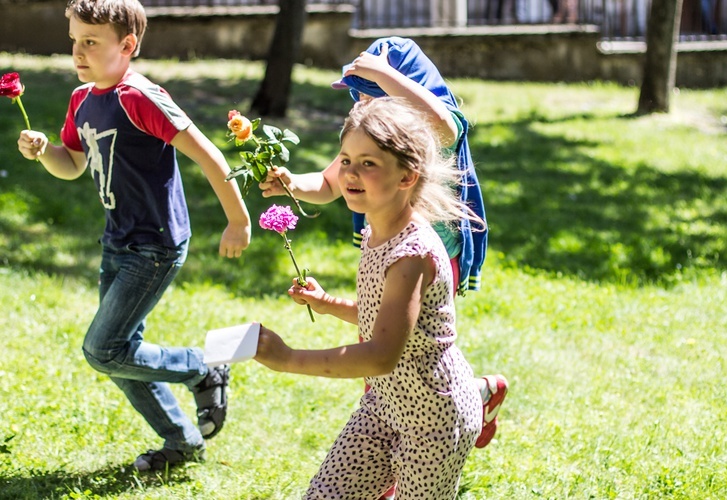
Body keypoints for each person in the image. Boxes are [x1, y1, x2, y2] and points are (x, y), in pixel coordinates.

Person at [16, 0, 251, 472]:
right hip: (116, 239)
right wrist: (44, 151)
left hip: (156, 244)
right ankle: (182, 443)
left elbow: (205, 153)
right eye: (75, 41)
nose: (78, 52)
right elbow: (73, 164)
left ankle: (202, 368)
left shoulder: (139, 97)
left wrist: (238, 220)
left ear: (127, 46)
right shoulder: (82, 98)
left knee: (104, 350)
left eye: (91, 42)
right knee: (120, 354)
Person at [258, 36, 508, 452]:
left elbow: (442, 128)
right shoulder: (367, 149)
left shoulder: (430, 134)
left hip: (432, 254)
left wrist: (383, 74)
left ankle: (398, 445)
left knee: (398, 354)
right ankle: (476, 394)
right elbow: (326, 182)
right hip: (383, 248)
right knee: (405, 350)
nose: (363, 106)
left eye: (372, 96)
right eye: (359, 97)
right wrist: (291, 183)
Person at [255, 97, 484, 499]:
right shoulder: (375, 232)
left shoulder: (410, 255)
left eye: (368, 163)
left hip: (434, 421)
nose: (350, 173)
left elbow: (382, 354)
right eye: (345, 160)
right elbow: (385, 317)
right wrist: (328, 304)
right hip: (385, 407)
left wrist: (289, 358)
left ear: (407, 177)